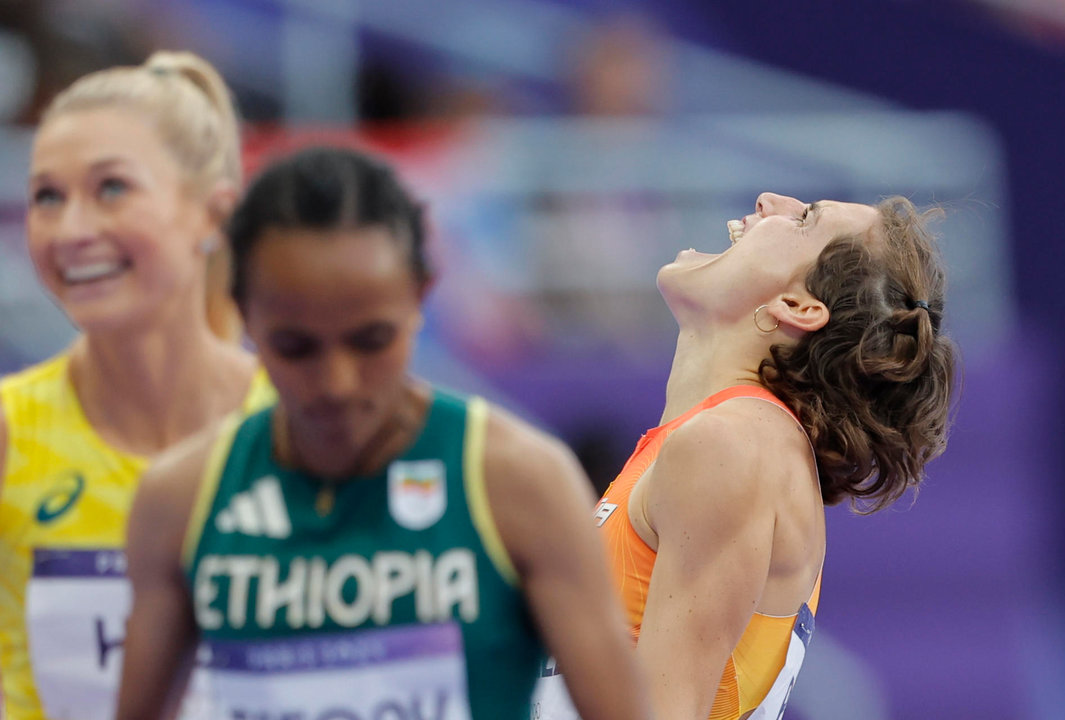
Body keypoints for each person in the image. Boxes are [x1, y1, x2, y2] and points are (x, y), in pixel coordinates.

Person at [115, 146, 653, 720]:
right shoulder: (182, 499)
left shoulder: (519, 483)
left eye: (371, 340)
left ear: (421, 294)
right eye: (296, 347)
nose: (337, 383)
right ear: (242, 313)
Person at [534, 192, 957, 720]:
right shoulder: (727, 441)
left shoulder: (733, 445)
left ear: (799, 306)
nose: (769, 201)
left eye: (805, 219)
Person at [0, 51, 275, 720]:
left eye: (112, 189)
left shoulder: (306, 431)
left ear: (212, 214)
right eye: (47, 197)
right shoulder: (11, 430)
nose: (72, 231)